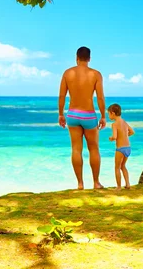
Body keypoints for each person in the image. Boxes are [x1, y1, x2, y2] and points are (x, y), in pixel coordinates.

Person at [58, 46, 106, 190]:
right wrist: (103, 116)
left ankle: (80, 184)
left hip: (72, 114)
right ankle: (96, 183)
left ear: (76, 58)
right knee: (94, 149)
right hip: (88, 115)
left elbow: (61, 96)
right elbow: (100, 98)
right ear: (89, 59)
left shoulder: (67, 73)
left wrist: (61, 114)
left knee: (76, 149)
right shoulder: (96, 74)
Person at [108, 103, 135, 190]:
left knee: (117, 167)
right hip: (128, 148)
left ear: (113, 113)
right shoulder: (124, 122)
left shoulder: (114, 124)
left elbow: (115, 136)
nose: (108, 115)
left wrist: (112, 138)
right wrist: (124, 136)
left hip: (120, 149)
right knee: (123, 166)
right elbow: (132, 132)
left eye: (108, 113)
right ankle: (128, 184)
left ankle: (119, 187)